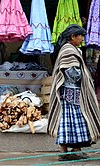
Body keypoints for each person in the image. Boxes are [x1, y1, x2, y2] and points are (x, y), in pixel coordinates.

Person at [48, 24, 100, 161]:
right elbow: (72, 74)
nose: (82, 39)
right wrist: (82, 73)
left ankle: (65, 151)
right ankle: (75, 150)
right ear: (72, 37)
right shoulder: (69, 50)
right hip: (72, 93)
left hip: (70, 93)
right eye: (80, 36)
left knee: (67, 122)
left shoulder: (69, 49)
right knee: (73, 120)